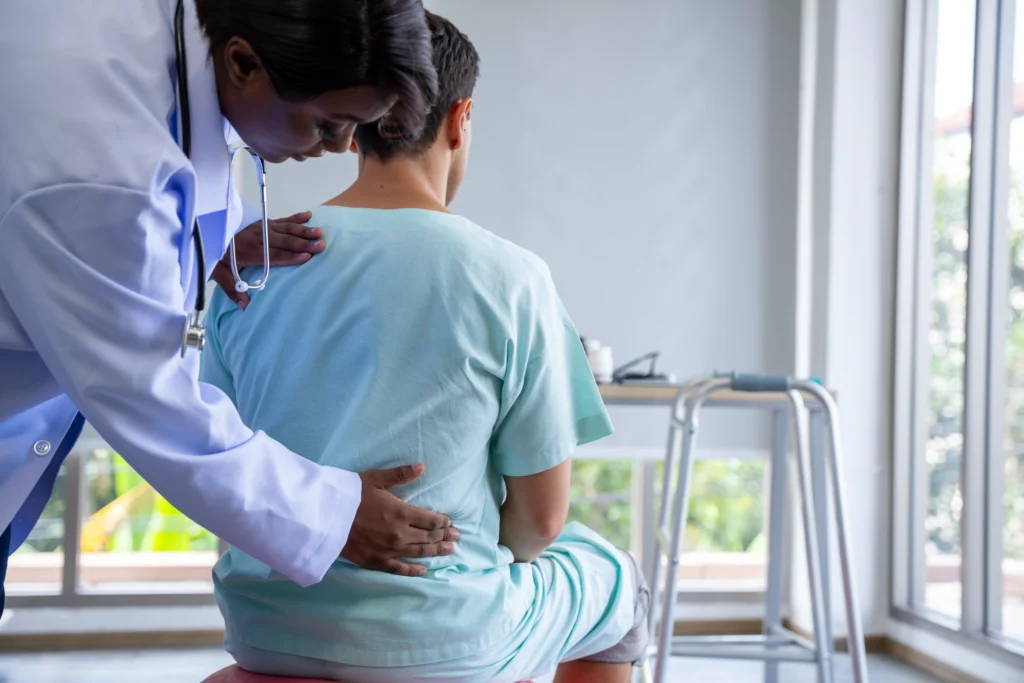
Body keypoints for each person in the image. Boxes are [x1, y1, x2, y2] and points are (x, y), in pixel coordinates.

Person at [201, 12, 650, 683]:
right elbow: (540, 524)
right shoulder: (512, 275)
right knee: (616, 580)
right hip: (445, 640)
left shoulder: (253, 263)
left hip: (266, 627)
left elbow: (216, 458)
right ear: (460, 118)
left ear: (357, 123)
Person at [0, 0, 461, 620]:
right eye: (327, 124)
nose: (339, 147)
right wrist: (330, 514)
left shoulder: (175, 42)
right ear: (243, 61)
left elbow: (176, 158)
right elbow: (150, 398)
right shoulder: (100, 169)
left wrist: (209, 233)